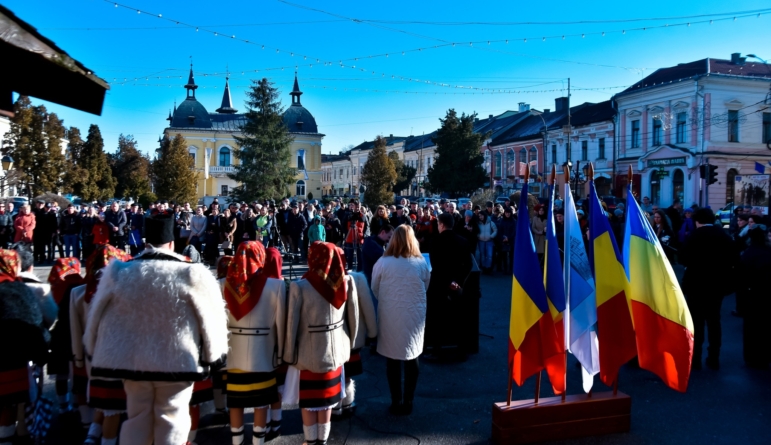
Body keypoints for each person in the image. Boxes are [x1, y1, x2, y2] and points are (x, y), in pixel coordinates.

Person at [83, 213, 229, 445]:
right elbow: (213, 319)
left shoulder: (119, 271)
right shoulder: (192, 273)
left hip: (132, 362)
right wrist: (214, 355)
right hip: (177, 362)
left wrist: (93, 351)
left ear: (146, 242)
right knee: (172, 418)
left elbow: (95, 317)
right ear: (172, 243)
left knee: (136, 416)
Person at [284, 242, 358, 445]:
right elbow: (354, 318)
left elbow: (291, 324)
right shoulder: (346, 281)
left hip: (308, 352)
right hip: (336, 352)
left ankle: (310, 440)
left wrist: (288, 355)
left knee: (309, 402)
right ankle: (322, 440)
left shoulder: (301, 286)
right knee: (326, 401)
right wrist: (348, 345)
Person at [221, 243, 286, 445]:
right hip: (263, 353)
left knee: (235, 403)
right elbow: (281, 324)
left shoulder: (221, 283)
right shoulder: (275, 286)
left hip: (231, 354)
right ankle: (258, 441)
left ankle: (237, 441)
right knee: (261, 403)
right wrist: (282, 353)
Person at [70, 245, 132, 445]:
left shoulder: (79, 293)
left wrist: (78, 359)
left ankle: (92, 435)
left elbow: (75, 332)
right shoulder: (126, 293)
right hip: (119, 357)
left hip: (92, 359)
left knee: (103, 403)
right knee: (113, 406)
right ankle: (104, 439)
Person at [371, 225, 430, 416]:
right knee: (412, 356)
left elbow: (375, 287)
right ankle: (409, 400)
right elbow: (426, 284)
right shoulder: (420, 262)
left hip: (391, 312)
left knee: (392, 358)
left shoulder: (383, 262)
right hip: (413, 313)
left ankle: (396, 400)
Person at [0, 250, 50, 445]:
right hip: (11, 364)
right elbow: (33, 325)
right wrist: (41, 354)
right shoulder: (17, 290)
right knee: (9, 407)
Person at [680, 208, 739, 371]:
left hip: (695, 285)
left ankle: (696, 358)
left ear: (697, 221)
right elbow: (734, 258)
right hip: (717, 285)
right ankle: (714, 357)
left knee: (696, 323)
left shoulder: (694, 236)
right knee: (714, 321)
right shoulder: (723, 236)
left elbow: (683, 258)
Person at [425, 212, 472, 359]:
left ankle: (436, 350)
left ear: (441, 224)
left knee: (436, 319)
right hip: (456, 287)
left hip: (438, 285)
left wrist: (447, 282)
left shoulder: (435, 241)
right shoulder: (463, 241)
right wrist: (456, 281)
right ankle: (462, 350)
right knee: (459, 318)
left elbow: (436, 266)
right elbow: (469, 265)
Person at [737, 227, 771, 369]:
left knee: (751, 328)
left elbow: (741, 276)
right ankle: (764, 356)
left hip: (751, 295)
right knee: (765, 327)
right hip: (765, 295)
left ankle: (751, 357)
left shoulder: (748, 254)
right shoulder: (767, 253)